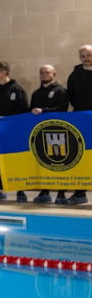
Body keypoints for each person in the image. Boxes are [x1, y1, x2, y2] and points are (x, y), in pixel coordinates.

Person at [0, 61, 29, 201]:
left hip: (13, 131)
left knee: (16, 160)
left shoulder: (17, 89)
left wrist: (6, 119)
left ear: (4, 72)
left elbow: (23, 111)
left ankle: (21, 190)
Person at [29, 64, 70, 204]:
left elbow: (62, 108)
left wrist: (44, 110)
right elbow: (31, 111)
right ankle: (44, 191)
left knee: (59, 162)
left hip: (58, 132)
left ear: (54, 74)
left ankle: (61, 193)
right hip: (40, 133)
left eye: (47, 72)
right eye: (41, 72)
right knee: (42, 161)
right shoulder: (36, 93)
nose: (44, 75)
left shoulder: (61, 90)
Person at [64, 44, 92, 205]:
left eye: (89, 55)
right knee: (80, 155)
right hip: (81, 119)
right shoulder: (74, 75)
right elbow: (72, 97)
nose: (86, 58)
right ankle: (80, 193)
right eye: (82, 56)